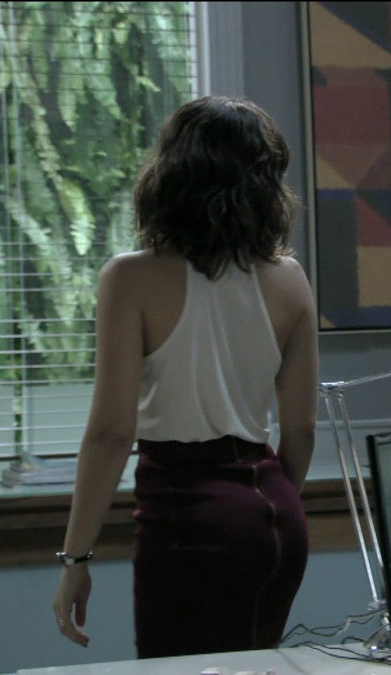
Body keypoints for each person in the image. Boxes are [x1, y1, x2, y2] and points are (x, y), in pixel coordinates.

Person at [51, 96, 319, 659]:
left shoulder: (130, 278)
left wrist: (75, 559)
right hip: (276, 514)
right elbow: (300, 432)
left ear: (170, 176)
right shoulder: (291, 280)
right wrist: (262, 513)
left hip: (187, 516)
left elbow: (111, 433)